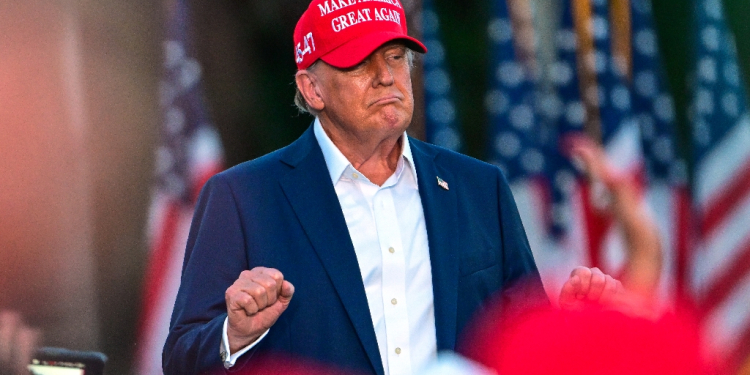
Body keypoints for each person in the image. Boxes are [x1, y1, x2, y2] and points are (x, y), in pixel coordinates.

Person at [163, 1, 622, 374]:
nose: (387, 76)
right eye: (360, 62)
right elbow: (181, 357)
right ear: (313, 88)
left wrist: (567, 324)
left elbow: (523, 343)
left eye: (396, 57)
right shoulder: (242, 196)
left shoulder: (479, 188)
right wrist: (234, 335)